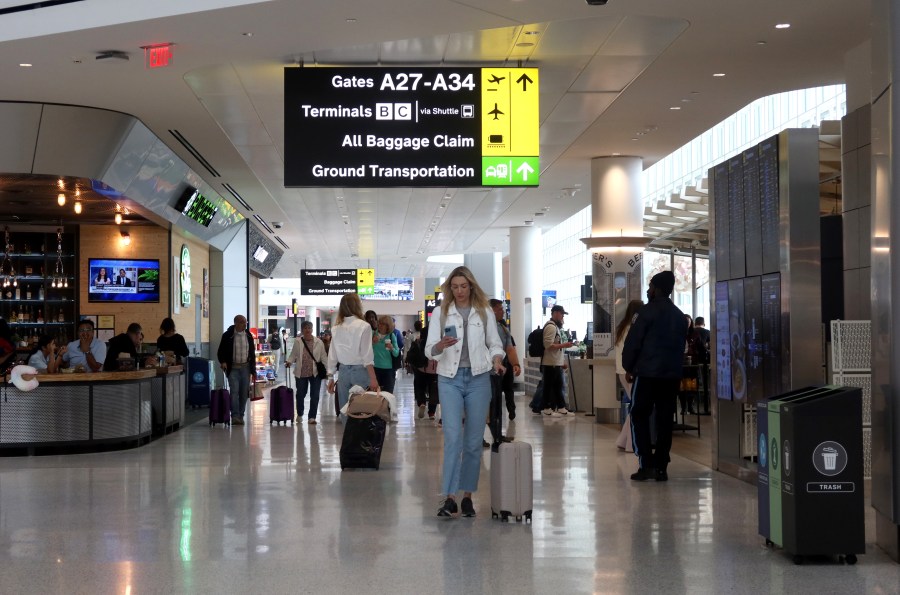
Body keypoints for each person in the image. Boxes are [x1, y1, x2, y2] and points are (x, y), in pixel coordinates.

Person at [425, 266, 505, 518]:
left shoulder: (484, 313)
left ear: (471, 286)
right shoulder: (440, 312)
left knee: (472, 442)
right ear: (450, 288)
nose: (459, 291)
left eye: (463, 286)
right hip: (449, 379)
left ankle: (468, 495)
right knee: (452, 439)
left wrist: (497, 359)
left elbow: (495, 343)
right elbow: (429, 350)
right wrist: (439, 345)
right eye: (455, 286)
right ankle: (449, 498)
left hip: (479, 378)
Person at [623, 271, 688, 482]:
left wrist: (629, 367)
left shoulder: (644, 313)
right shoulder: (680, 316)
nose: (648, 290)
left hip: (647, 375)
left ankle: (645, 463)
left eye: (650, 286)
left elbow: (633, 342)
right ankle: (662, 467)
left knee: (639, 414)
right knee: (664, 419)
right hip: (670, 376)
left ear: (658, 289)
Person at [326, 293, 379, 418]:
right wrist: (373, 379)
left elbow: (332, 355)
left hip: (343, 372)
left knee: (345, 411)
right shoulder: (364, 326)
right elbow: (367, 355)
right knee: (362, 411)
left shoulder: (336, 328)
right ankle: (360, 437)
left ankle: (348, 436)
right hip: (360, 371)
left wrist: (330, 377)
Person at [614, 300, 644, 451]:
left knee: (635, 406)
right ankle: (631, 444)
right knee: (637, 407)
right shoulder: (632, 328)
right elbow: (632, 352)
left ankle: (623, 440)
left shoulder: (622, 328)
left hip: (622, 371)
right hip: (629, 372)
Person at [285, 320, 327, 424]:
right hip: (301, 372)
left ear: (312, 329)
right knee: (300, 394)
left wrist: (328, 370)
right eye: (305, 328)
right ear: (302, 330)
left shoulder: (319, 342)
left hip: (315, 372)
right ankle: (299, 413)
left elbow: (323, 357)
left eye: (309, 328)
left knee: (315, 395)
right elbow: (293, 354)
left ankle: (312, 417)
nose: (307, 330)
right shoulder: (298, 341)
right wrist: (289, 361)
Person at [217, 314, 256, 426]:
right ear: (236, 323)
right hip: (233, 368)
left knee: (244, 393)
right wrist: (223, 361)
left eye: (245, 322)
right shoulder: (227, 335)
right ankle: (234, 416)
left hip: (245, 368)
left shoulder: (248, 335)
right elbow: (221, 351)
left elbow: (252, 353)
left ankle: (241, 415)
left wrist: (253, 370)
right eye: (243, 322)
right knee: (234, 392)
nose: (245, 324)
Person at [490, 299, 521, 420]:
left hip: (501, 367)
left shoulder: (503, 329)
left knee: (501, 394)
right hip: (485, 370)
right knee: (490, 398)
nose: (503, 311)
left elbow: (510, 349)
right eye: (500, 309)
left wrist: (516, 364)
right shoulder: (481, 326)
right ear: (491, 310)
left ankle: (497, 429)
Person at [541, 305, 575, 416]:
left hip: (556, 362)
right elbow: (548, 345)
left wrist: (562, 361)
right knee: (549, 386)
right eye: (561, 314)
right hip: (550, 363)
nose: (562, 317)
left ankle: (561, 407)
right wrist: (564, 345)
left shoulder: (555, 327)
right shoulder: (551, 327)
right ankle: (547, 408)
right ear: (555, 313)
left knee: (558, 386)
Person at [373, 315, 400, 393]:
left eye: (383, 324)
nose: (380, 326)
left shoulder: (392, 336)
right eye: (379, 323)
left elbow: (396, 353)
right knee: (375, 394)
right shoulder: (373, 334)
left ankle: (387, 406)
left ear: (388, 326)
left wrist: (392, 348)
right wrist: (372, 342)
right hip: (375, 368)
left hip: (388, 369)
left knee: (388, 394)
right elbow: (366, 349)